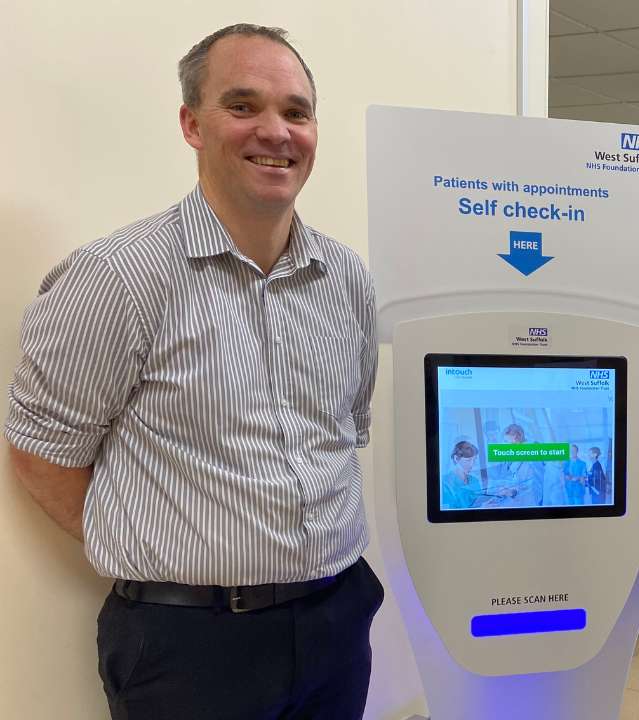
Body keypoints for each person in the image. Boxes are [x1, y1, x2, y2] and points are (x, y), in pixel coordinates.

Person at [5, 24, 382, 720]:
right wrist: (161, 547)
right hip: (189, 646)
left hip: (337, 619)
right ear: (192, 124)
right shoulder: (118, 277)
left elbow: (343, 433)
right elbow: (41, 454)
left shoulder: (348, 280)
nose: (276, 131)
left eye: (296, 112)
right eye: (243, 106)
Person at [442, 441, 484, 509]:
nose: (472, 465)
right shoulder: (444, 483)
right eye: (468, 460)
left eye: (474, 460)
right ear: (456, 459)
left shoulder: (475, 481)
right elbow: (450, 514)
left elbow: (479, 502)